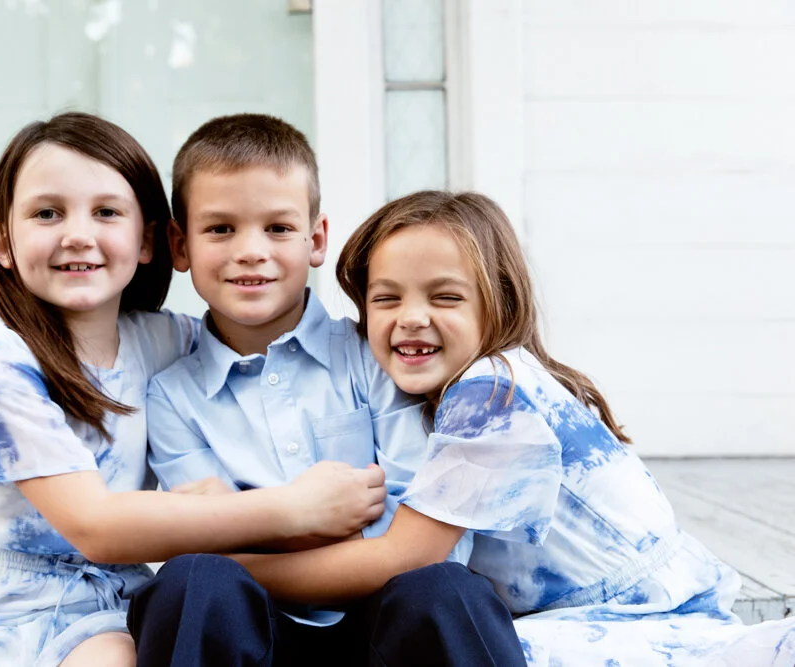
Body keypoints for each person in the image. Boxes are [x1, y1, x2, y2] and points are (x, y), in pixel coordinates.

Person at [0, 113, 390, 667]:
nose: (78, 235)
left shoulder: (166, 341)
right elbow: (95, 525)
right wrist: (291, 507)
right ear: (2, 241)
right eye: (47, 214)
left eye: (106, 212)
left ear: (150, 240)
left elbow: (268, 350)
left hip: (101, 614)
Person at [231, 189, 795, 666]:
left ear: (497, 301)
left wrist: (236, 569)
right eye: (386, 298)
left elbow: (404, 558)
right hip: (595, 611)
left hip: (628, 619)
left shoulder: (493, 393)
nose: (411, 317)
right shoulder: (467, 387)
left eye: (445, 297)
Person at [127, 115, 525, 667]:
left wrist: (250, 522)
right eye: (220, 229)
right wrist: (306, 515)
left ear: (315, 240)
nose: (251, 250)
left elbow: (418, 540)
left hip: (383, 626)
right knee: (192, 580)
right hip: (256, 633)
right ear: (180, 244)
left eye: (278, 228)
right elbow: (205, 540)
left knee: (445, 588)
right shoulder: (172, 397)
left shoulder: (374, 354)